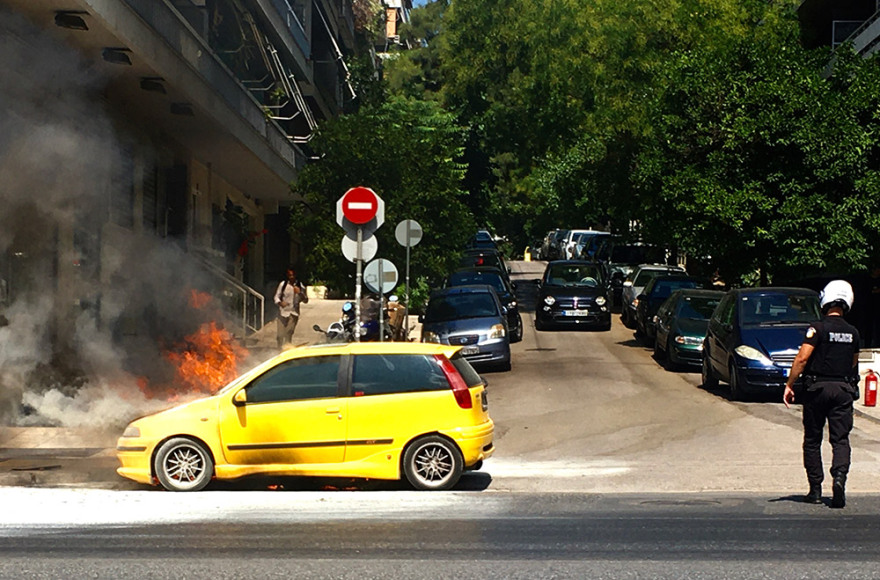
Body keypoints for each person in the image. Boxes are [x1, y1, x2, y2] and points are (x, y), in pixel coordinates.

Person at [783, 280, 860, 508]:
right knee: (840, 440)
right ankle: (839, 479)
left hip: (817, 390)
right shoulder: (853, 332)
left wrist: (789, 384)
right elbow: (853, 364)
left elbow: (802, 358)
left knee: (812, 440)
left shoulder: (817, 327)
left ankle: (815, 490)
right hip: (843, 390)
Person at [274, 268, 308, 350]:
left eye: (293, 275)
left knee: (289, 332)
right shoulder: (283, 285)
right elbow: (276, 297)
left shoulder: (300, 286)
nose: (291, 277)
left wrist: (299, 293)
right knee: (280, 335)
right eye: (290, 275)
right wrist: (280, 303)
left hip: (293, 313)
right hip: (282, 313)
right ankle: (279, 350)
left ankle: (287, 349)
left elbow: (306, 300)